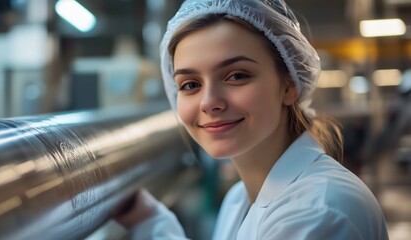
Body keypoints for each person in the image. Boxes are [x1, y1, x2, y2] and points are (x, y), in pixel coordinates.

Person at [115, 0, 389, 239]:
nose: (209, 102)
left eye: (237, 76)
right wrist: (151, 222)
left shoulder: (321, 210)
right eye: (189, 84)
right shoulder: (239, 199)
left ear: (289, 85)